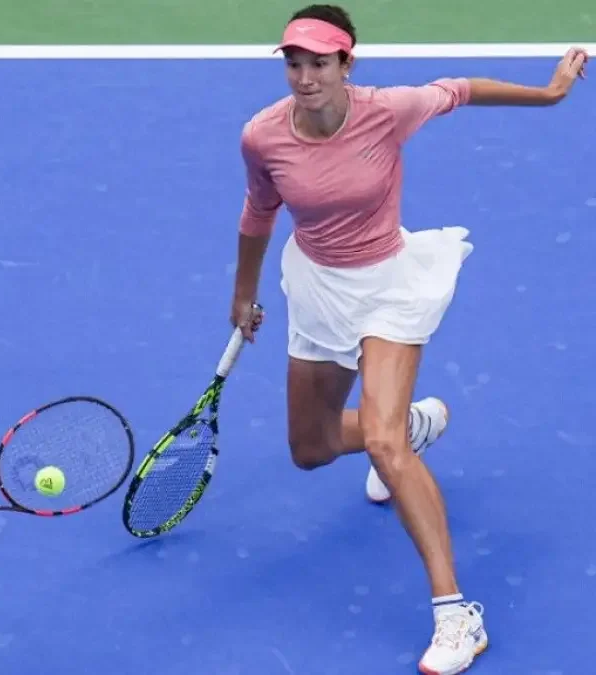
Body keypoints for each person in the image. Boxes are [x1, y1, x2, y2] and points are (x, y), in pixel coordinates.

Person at [229, 4, 586, 674]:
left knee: (383, 444)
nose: (305, 77)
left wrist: (548, 94)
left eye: (319, 63)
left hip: (391, 285)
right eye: (294, 63)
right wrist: (243, 293)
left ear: (347, 63)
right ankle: (414, 426)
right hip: (319, 288)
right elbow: (258, 211)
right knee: (310, 448)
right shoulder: (263, 136)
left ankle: (457, 615)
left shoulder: (388, 110)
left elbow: (461, 89)